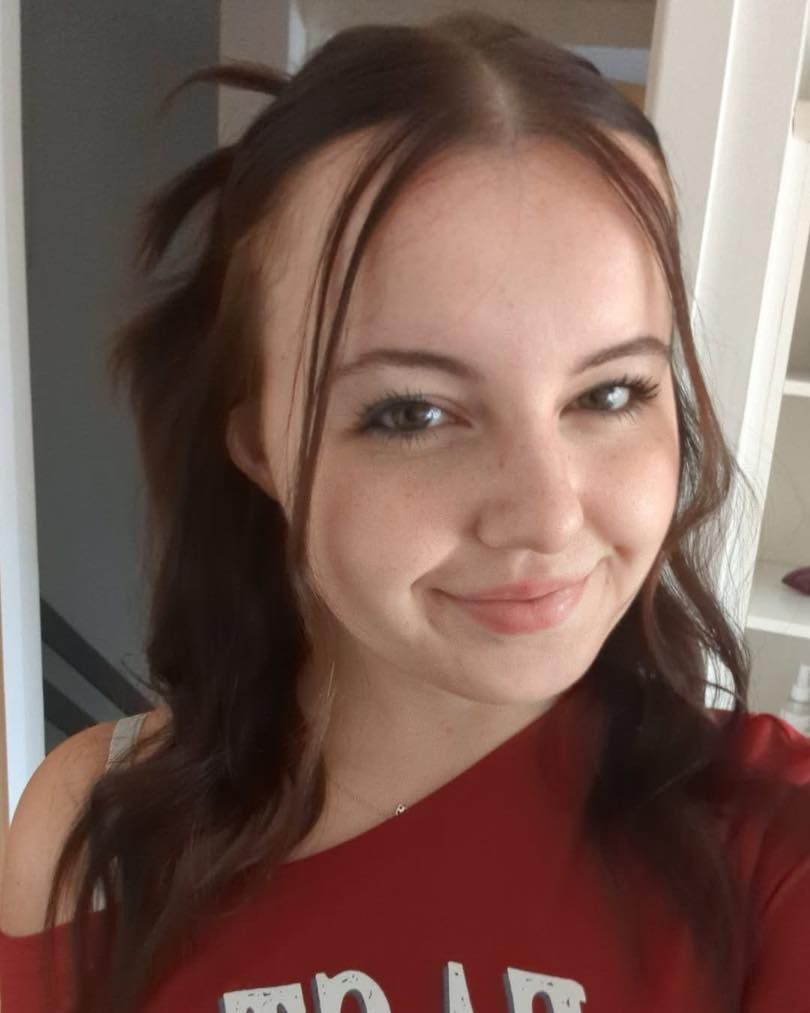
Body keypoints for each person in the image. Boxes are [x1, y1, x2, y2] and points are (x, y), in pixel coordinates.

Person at [1, 11, 809, 1013]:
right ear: (256, 441)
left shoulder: (774, 842)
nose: (547, 516)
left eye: (610, 393)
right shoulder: (94, 832)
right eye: (414, 412)